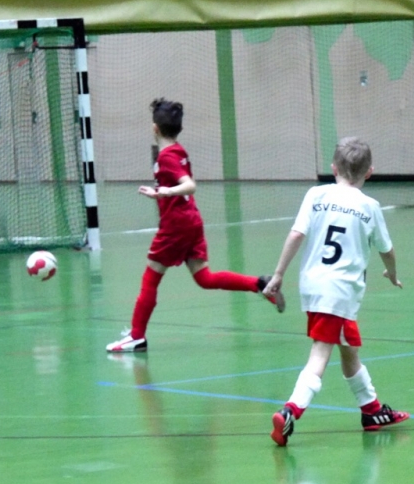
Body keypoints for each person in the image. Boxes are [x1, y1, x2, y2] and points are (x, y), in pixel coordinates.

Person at [105, 98, 285, 353]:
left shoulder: (167, 156)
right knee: (204, 278)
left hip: (176, 225)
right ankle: (260, 284)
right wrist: (161, 193)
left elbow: (189, 185)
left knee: (151, 277)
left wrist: (166, 192)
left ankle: (136, 336)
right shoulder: (178, 151)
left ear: (155, 128)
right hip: (191, 220)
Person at [261, 136, 409, 446]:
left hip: (313, 287)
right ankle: (290, 411)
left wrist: (279, 274)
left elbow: (296, 234)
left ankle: (371, 410)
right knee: (320, 353)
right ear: (369, 172)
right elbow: (387, 250)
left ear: (333, 168)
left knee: (348, 348)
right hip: (339, 291)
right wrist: (392, 274)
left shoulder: (316, 194)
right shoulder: (370, 207)